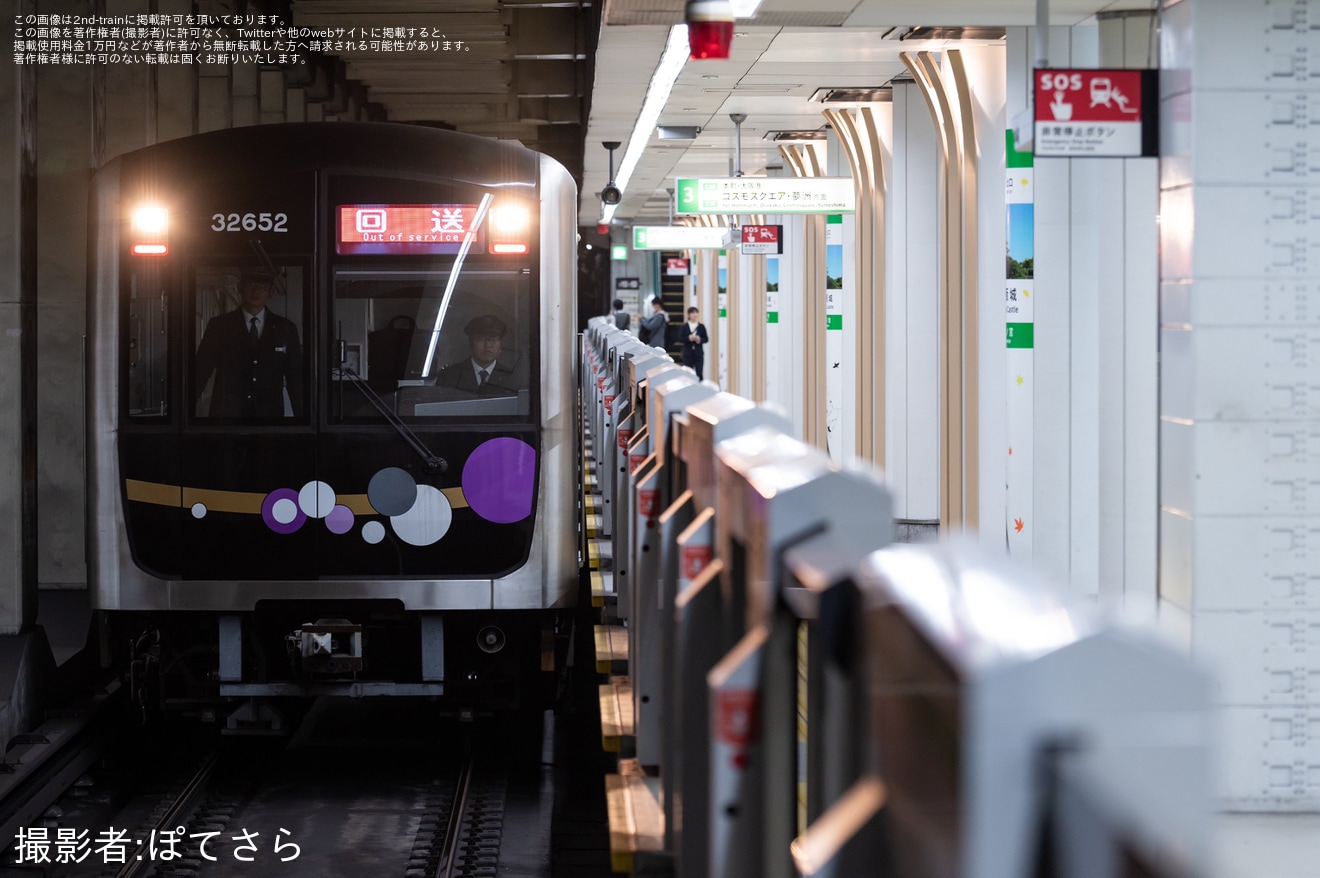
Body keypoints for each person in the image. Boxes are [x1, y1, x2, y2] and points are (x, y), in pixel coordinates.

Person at [195, 270, 303, 418]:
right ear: (240, 288)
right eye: (251, 284)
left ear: (271, 292)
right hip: (227, 416)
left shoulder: (285, 329)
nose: (256, 290)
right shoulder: (220, 326)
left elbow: (295, 378)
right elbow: (200, 371)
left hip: (268, 417)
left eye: (263, 286)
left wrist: (302, 422)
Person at [434, 314, 519, 394]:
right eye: (481, 339)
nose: (487, 345)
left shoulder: (511, 378)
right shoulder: (450, 375)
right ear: (471, 344)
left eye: (493, 339)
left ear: (500, 346)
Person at [681, 306, 709, 381]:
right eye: (693, 313)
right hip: (687, 353)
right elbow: (680, 338)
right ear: (689, 315)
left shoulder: (701, 326)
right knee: (688, 373)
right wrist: (688, 338)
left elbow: (706, 339)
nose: (695, 314)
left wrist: (699, 340)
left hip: (698, 353)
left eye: (696, 312)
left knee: (699, 373)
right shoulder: (685, 326)